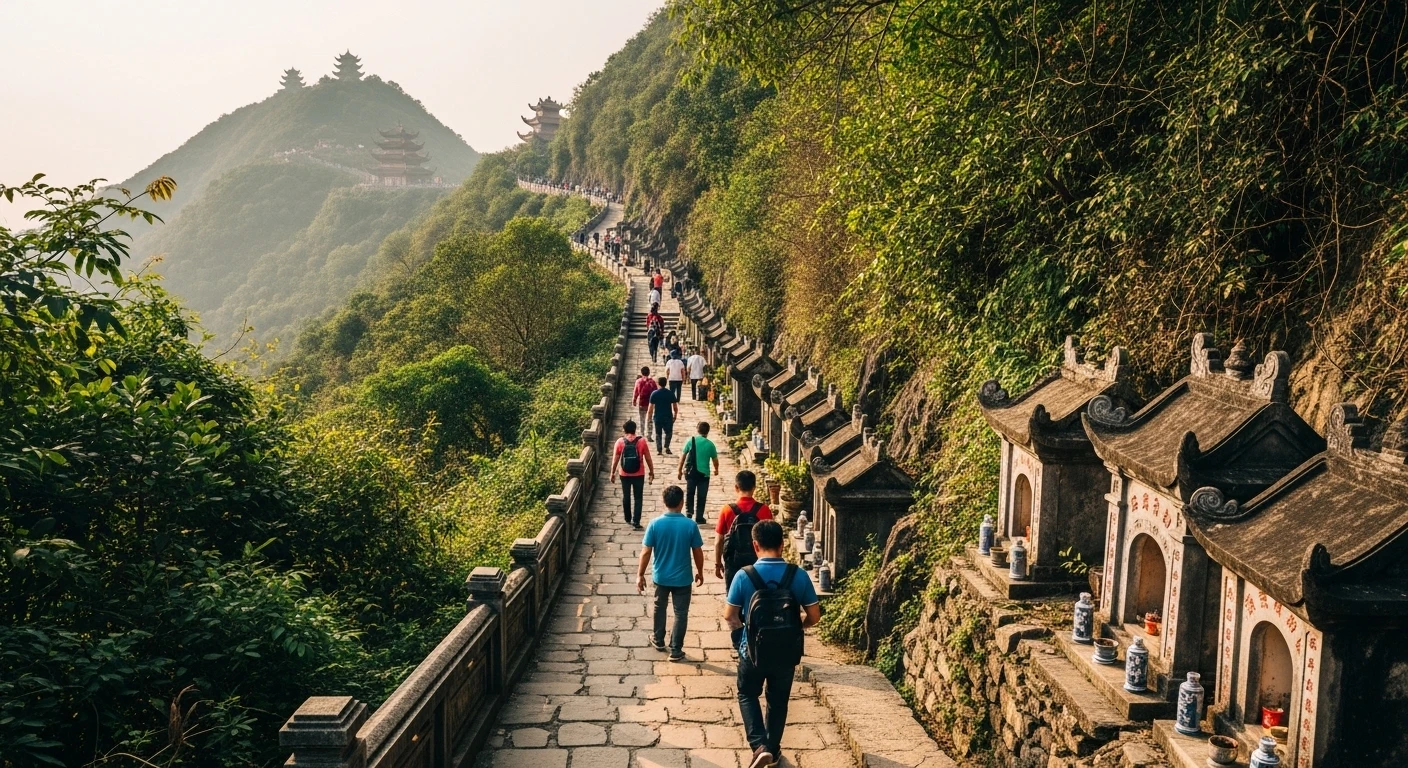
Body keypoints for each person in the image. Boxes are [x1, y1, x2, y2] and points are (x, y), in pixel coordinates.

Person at [724, 520, 821, 768]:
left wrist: (741, 637)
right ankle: (774, 751)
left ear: (755, 545)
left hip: (752, 652)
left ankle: (759, 746)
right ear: (782, 544)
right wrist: (796, 627)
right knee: (778, 701)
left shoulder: (743, 576)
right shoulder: (797, 575)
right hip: (786, 653)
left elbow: (730, 615)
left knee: (747, 694)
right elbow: (814, 616)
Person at [637, 485, 705, 662]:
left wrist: (640, 574)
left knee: (660, 607)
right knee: (681, 613)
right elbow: (697, 551)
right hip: (683, 578)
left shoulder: (655, 524)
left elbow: (646, 552)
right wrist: (700, 572)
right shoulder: (690, 525)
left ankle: (658, 639)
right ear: (682, 503)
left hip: (661, 577)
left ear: (664, 502)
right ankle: (676, 649)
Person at [714, 470, 774, 653]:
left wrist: (718, 563)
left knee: (735, 602)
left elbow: (719, 540)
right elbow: (771, 539)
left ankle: (738, 643)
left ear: (736, 487)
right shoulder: (763, 510)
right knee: (757, 599)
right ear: (755, 487)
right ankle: (757, 637)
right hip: (758, 563)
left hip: (733, 562)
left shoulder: (727, 510)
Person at [609, 420, 654, 529]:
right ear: (635, 429)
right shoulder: (642, 441)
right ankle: (636, 521)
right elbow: (648, 458)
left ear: (624, 430)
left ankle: (627, 517)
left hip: (624, 473)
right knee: (638, 497)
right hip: (639, 473)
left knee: (626, 496)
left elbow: (615, 459)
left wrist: (612, 473)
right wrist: (651, 472)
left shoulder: (620, 442)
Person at [677, 421, 720, 525]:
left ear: (697, 430)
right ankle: (699, 517)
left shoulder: (690, 441)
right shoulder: (710, 445)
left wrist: (679, 470)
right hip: (704, 474)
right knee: (702, 496)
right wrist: (716, 469)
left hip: (691, 473)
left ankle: (689, 513)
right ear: (708, 431)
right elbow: (715, 460)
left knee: (690, 493)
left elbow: (683, 457)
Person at [647, 376, 678, 454]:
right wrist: (675, 415)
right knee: (669, 433)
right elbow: (675, 406)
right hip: (668, 416)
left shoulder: (654, 394)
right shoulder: (670, 393)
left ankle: (659, 450)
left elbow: (650, 408)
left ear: (658, 383)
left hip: (658, 417)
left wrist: (649, 418)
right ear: (666, 383)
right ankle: (667, 447)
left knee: (658, 434)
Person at [633, 366, 658, 439]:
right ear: (649, 373)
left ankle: (642, 433)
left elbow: (636, 392)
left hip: (642, 402)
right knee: (650, 418)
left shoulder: (639, 381)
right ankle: (649, 434)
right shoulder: (652, 382)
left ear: (641, 373)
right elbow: (655, 392)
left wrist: (634, 400)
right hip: (650, 403)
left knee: (642, 418)